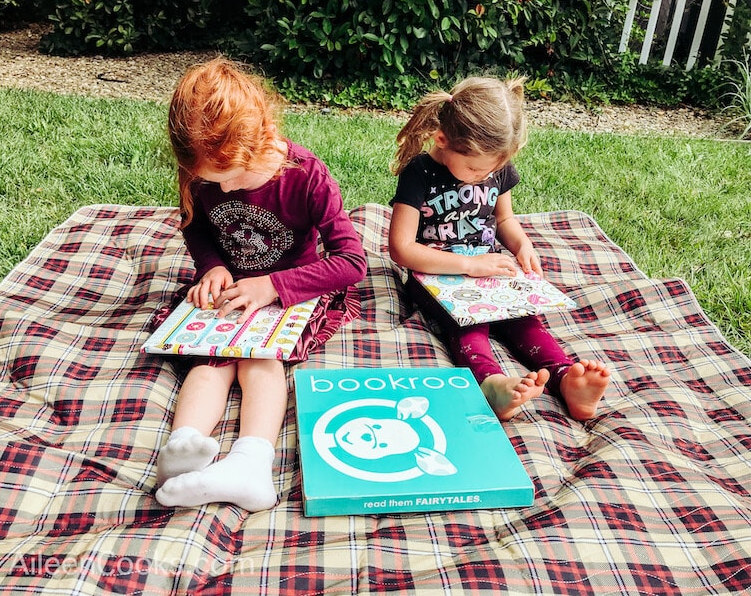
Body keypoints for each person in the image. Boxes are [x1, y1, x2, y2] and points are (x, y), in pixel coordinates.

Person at [154, 57, 367, 511]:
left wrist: (272, 286)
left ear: (266, 138)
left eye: (232, 179)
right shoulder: (202, 165)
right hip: (228, 296)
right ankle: (184, 446)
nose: (224, 191)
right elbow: (196, 228)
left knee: (257, 362)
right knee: (210, 362)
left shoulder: (306, 175)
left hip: (291, 293)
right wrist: (212, 265)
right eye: (214, 182)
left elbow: (352, 262)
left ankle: (249, 464)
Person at [388, 76, 610, 423]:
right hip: (436, 274)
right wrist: (468, 266)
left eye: (490, 170)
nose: (482, 177)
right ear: (442, 139)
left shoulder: (496, 168)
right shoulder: (420, 173)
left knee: (526, 323)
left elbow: (504, 219)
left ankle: (566, 378)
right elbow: (401, 249)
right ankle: (490, 385)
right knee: (470, 326)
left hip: (490, 268)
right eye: (475, 168)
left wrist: (522, 244)